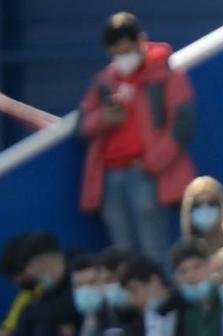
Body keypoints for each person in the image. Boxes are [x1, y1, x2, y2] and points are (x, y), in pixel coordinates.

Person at [79, 12, 196, 264]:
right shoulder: (103, 82)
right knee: (123, 253)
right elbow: (84, 125)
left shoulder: (168, 76)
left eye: (127, 50)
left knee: (154, 249)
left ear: (141, 41)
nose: (123, 58)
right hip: (109, 176)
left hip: (145, 173)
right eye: (117, 53)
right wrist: (105, 118)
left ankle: (163, 302)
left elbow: (183, 124)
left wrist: (152, 163)